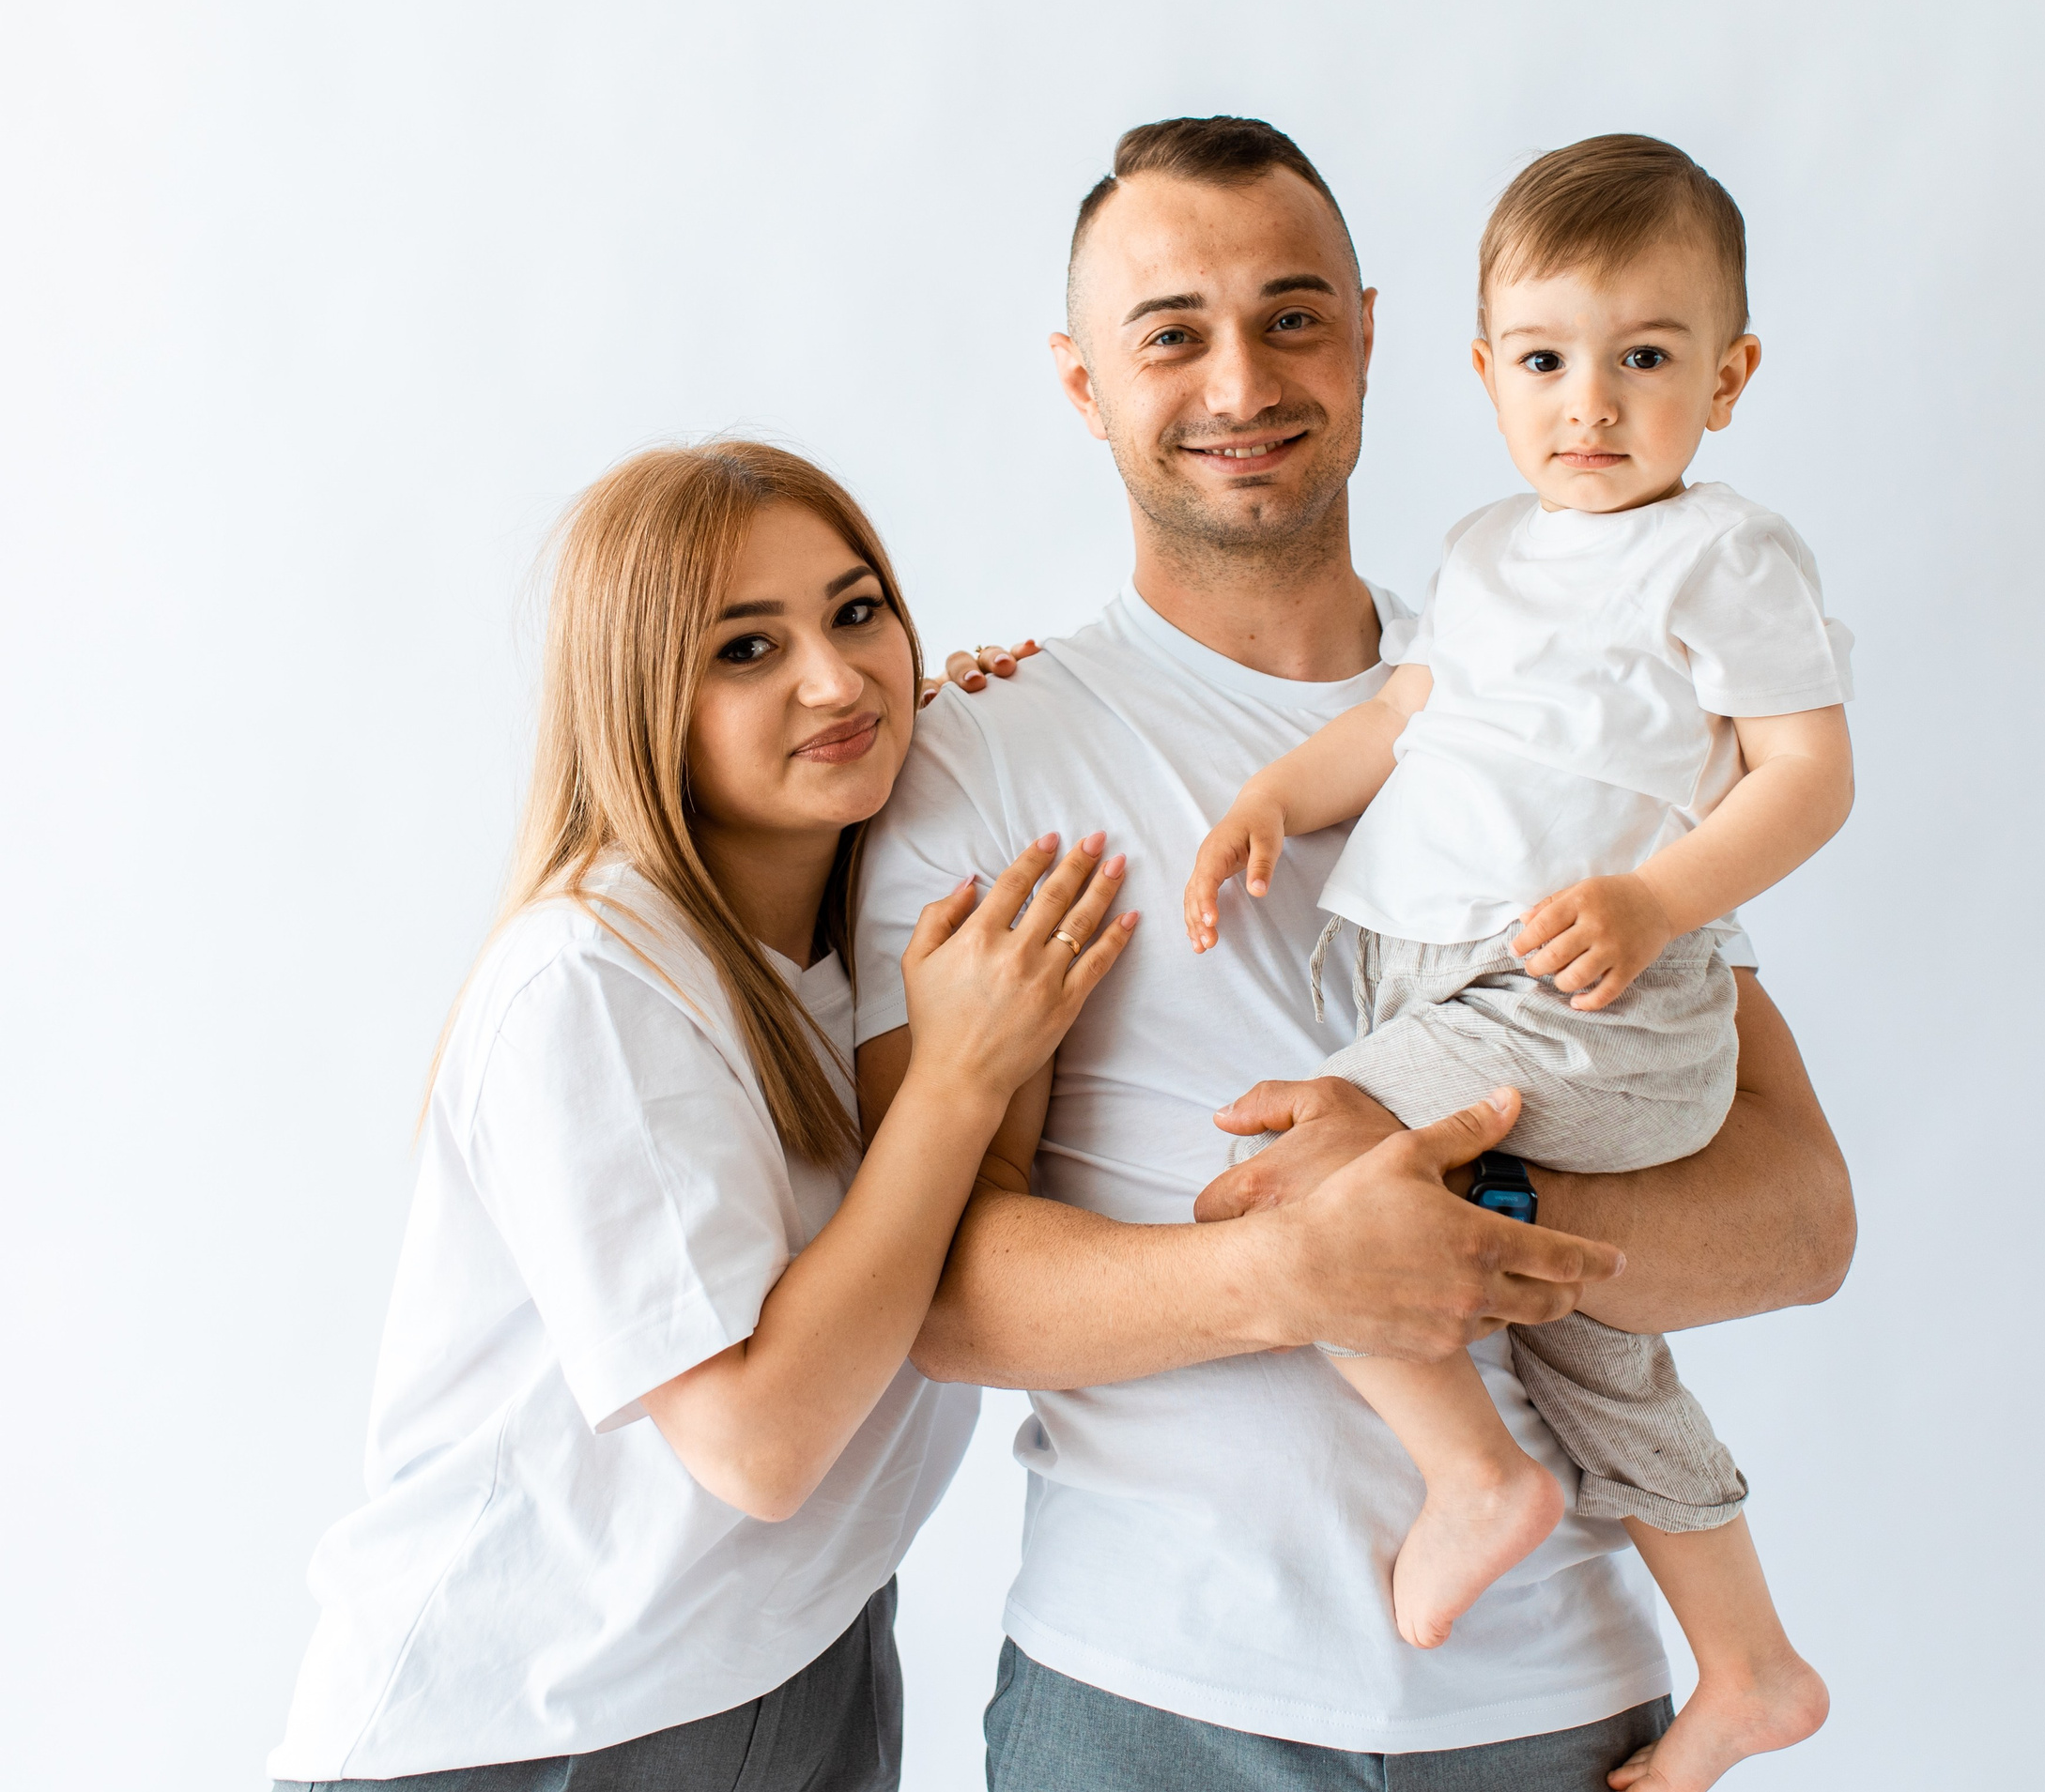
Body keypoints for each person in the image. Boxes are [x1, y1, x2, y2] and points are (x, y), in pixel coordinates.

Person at [856, 117, 1856, 1789]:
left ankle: (1724, 1645)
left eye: (1294, 313)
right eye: (1170, 331)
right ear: (1081, 378)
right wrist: (1298, 1265)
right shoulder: (979, 756)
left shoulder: (1591, 705)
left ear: (1378, 339)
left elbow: (1799, 1220)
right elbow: (941, 1289)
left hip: (1552, 1703)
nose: (1240, 378)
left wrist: (1467, 1216)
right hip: (1146, 1700)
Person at [267, 441, 1138, 1790]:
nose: (837, 678)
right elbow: (759, 1442)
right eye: (746, 648)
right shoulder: (590, 981)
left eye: (858, 613)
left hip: (799, 1669)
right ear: (638, 696)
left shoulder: (876, 943)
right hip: (531, 1728)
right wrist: (960, 1081)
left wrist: (998, 753)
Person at [1181, 134, 1848, 1790]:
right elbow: (1408, 719)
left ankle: (1474, 1476)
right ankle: (1752, 1664)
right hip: (1446, 989)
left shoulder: (1723, 551)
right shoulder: (1483, 554)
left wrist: (1654, 900)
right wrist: (1278, 792)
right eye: (1546, 361)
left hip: (1589, 997)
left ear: (1731, 372)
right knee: (1593, 1340)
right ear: (1484, 372)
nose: (1591, 405)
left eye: (1646, 358)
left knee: (1312, 1173)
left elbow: (1811, 774)